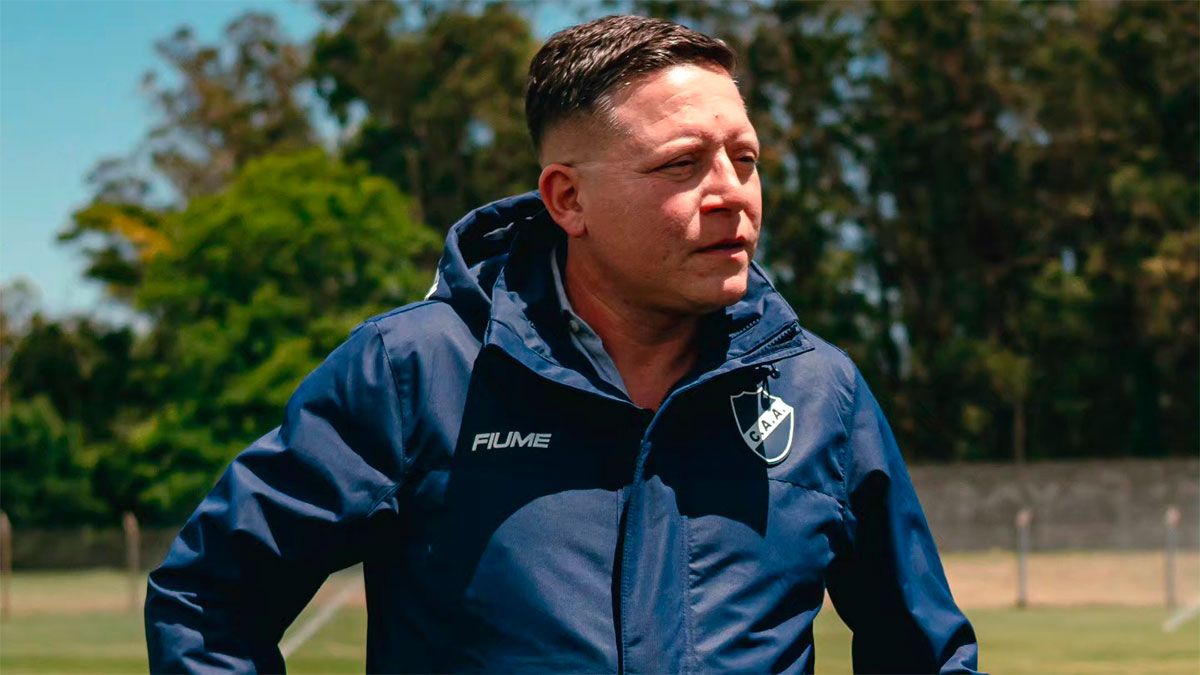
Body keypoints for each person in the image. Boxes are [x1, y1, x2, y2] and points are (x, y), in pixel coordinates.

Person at [145, 14, 981, 674]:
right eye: (683, 164)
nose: (732, 193)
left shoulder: (821, 391)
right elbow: (208, 603)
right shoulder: (415, 371)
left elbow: (925, 651)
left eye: (746, 158)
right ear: (568, 199)